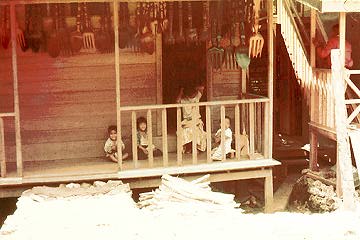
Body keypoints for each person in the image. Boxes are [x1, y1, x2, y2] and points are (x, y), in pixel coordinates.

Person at [176, 83, 207, 153]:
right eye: (190, 95)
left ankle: (195, 148)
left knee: (196, 131)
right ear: (187, 95)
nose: (192, 96)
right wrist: (181, 91)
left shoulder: (196, 98)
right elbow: (177, 101)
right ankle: (189, 148)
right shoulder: (183, 100)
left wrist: (195, 87)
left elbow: (202, 87)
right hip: (187, 121)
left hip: (196, 120)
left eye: (193, 94)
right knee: (186, 131)